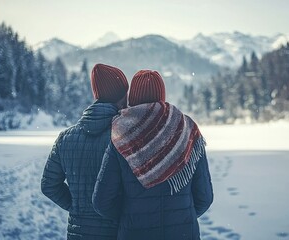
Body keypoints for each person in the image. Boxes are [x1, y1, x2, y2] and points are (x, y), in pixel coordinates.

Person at [92, 70, 213, 240]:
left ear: (132, 99)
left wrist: (129, 218)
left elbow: (102, 202)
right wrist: (182, 218)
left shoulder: (120, 135)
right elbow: (205, 198)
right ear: (162, 95)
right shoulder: (187, 129)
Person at [41, 63, 129, 240]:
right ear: (120, 98)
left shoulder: (65, 138)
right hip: (117, 232)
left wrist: (76, 207)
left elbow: (49, 185)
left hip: (79, 233)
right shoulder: (125, 136)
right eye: (125, 94)